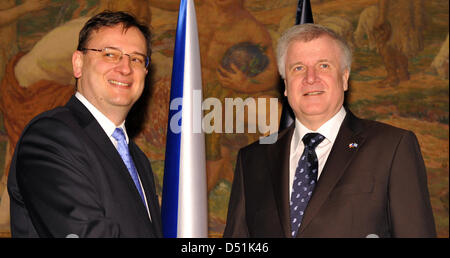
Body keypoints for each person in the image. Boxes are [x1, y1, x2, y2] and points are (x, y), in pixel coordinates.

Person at [223, 24, 436, 238]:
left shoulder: (392, 147)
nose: (310, 78)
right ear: (286, 85)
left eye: (323, 65)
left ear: (344, 78)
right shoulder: (252, 159)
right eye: (298, 68)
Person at [7, 11, 162, 237]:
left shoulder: (138, 159)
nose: (126, 68)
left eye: (136, 59)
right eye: (110, 54)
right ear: (78, 64)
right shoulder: (50, 138)